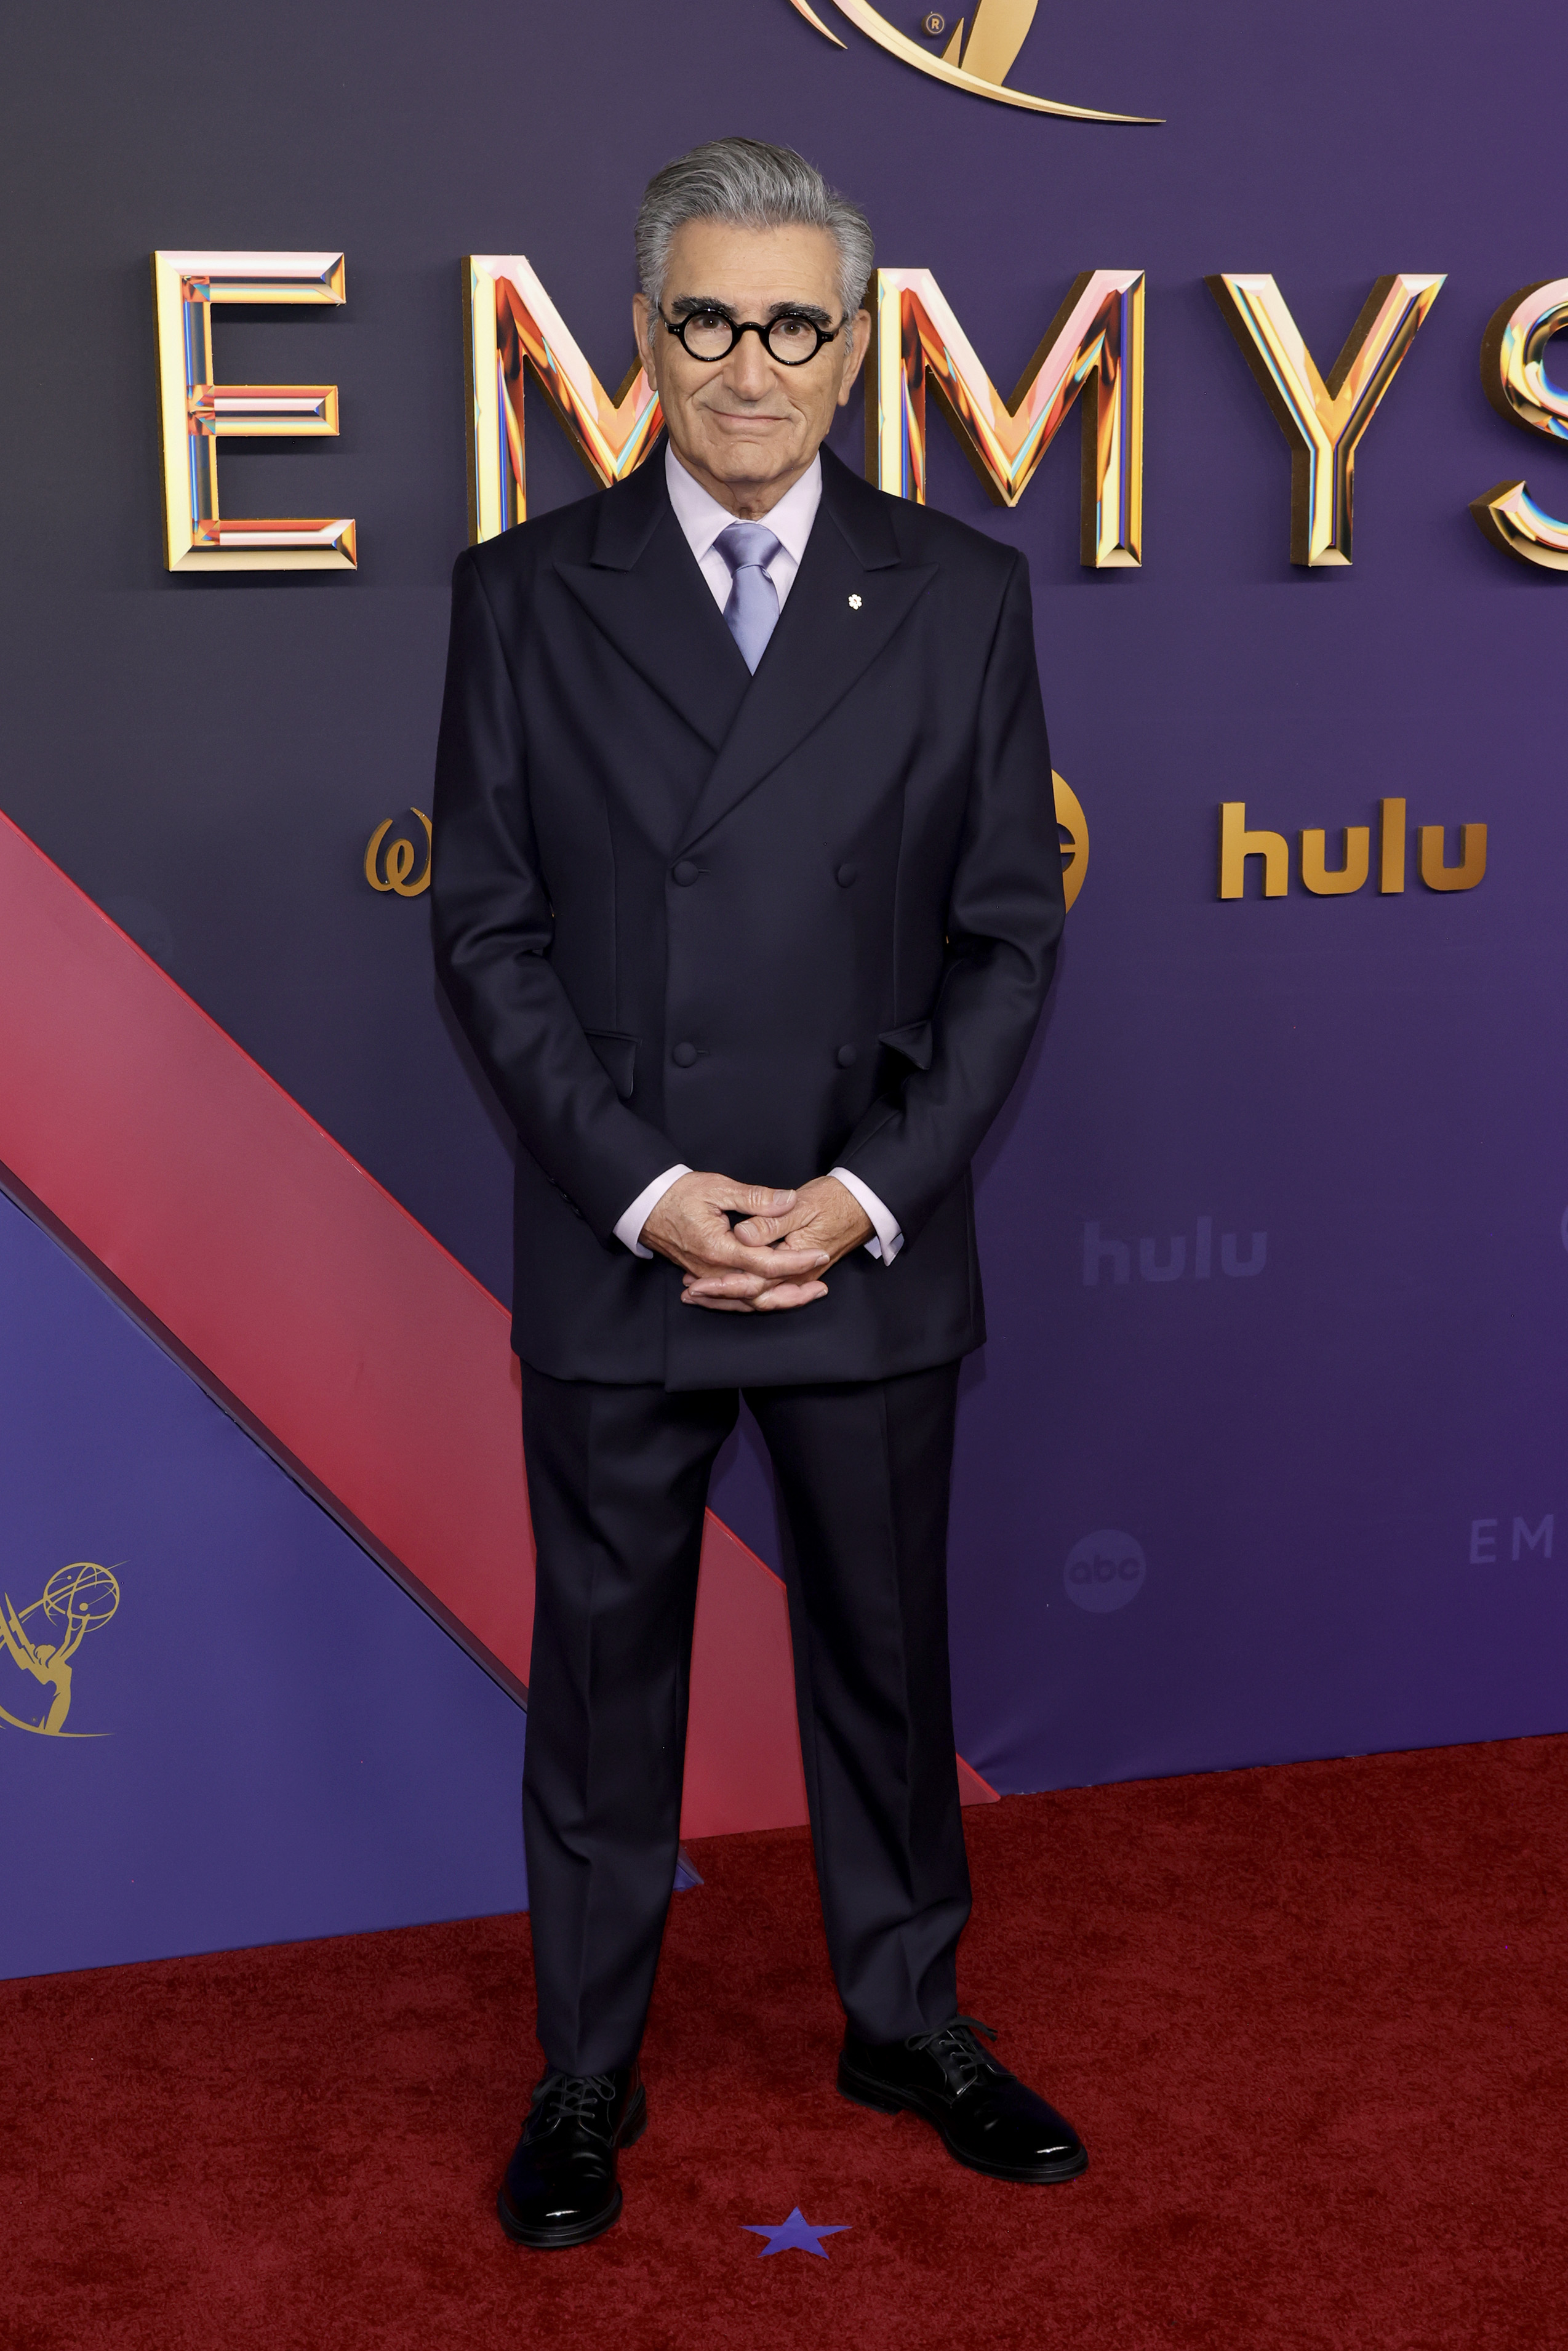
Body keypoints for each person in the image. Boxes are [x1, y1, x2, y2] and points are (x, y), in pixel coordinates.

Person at [432, 136, 1078, 2251]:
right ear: (643, 336)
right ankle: (587, 2067)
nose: (747, 365)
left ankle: (906, 2019)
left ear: (854, 346)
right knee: (607, 1676)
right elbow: (488, 934)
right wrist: (640, 1189)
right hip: (627, 1247)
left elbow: (1006, 938)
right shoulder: (525, 592)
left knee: (888, 1666)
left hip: (858, 1243)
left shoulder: (961, 590)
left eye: (793, 323)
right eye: (704, 318)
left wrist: (863, 1193)